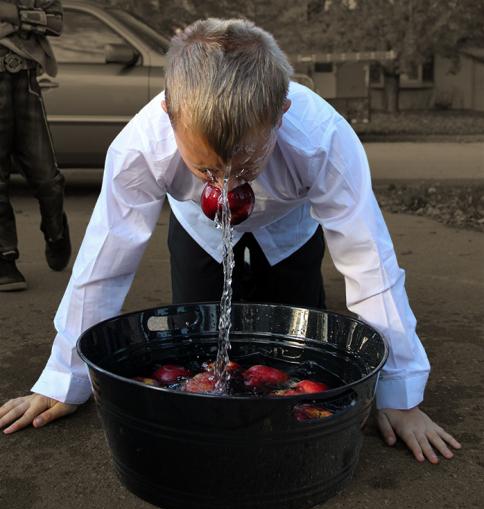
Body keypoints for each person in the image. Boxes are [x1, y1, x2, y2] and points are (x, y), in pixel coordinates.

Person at [0, 18, 461, 464]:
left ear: (282, 113)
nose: (223, 185)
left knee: (297, 340)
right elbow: (104, 259)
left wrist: (400, 393)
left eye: (243, 167)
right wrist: (64, 378)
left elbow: (369, 261)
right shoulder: (141, 144)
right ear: (169, 113)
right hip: (196, 230)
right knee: (196, 345)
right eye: (205, 168)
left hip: (290, 231)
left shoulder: (324, 139)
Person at [0, 0, 71, 291]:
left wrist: (13, 15)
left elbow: (55, 23)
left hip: (25, 82)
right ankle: (5, 259)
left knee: (47, 177)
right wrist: (26, 22)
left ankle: (55, 231)